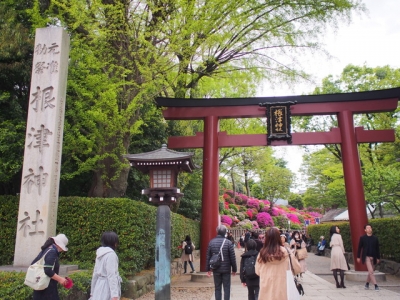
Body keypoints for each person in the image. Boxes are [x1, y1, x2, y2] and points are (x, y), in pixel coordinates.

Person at [255, 227, 296, 300]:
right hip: (282, 288)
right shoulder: (286, 252)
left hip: (266, 287)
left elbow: (257, 271)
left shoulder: (262, 253)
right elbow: (297, 268)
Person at [31, 234, 69, 300]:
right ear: (59, 245)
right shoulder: (52, 252)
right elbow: (48, 270)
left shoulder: (46, 249)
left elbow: (33, 263)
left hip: (39, 286)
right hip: (47, 290)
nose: (62, 250)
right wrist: (60, 279)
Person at [206, 225, 237, 300]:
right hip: (226, 269)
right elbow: (232, 257)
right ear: (225, 232)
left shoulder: (211, 242)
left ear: (217, 232)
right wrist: (234, 269)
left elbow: (208, 256)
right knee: (227, 288)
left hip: (216, 268)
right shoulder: (228, 243)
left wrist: (208, 269)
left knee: (217, 288)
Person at [90, 231, 122, 300]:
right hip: (107, 287)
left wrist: (92, 292)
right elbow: (111, 275)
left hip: (99, 286)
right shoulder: (111, 255)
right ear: (113, 243)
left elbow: (95, 274)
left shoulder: (99, 254)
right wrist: (114, 295)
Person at [357, 224, 381, 291]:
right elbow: (359, 248)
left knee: (371, 272)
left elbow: (377, 249)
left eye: (370, 228)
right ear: (365, 230)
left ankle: (367, 283)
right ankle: (376, 285)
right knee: (371, 271)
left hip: (374, 256)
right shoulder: (363, 238)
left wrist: (378, 257)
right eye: (367, 228)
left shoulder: (375, 238)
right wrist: (358, 256)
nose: (369, 229)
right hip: (366, 256)